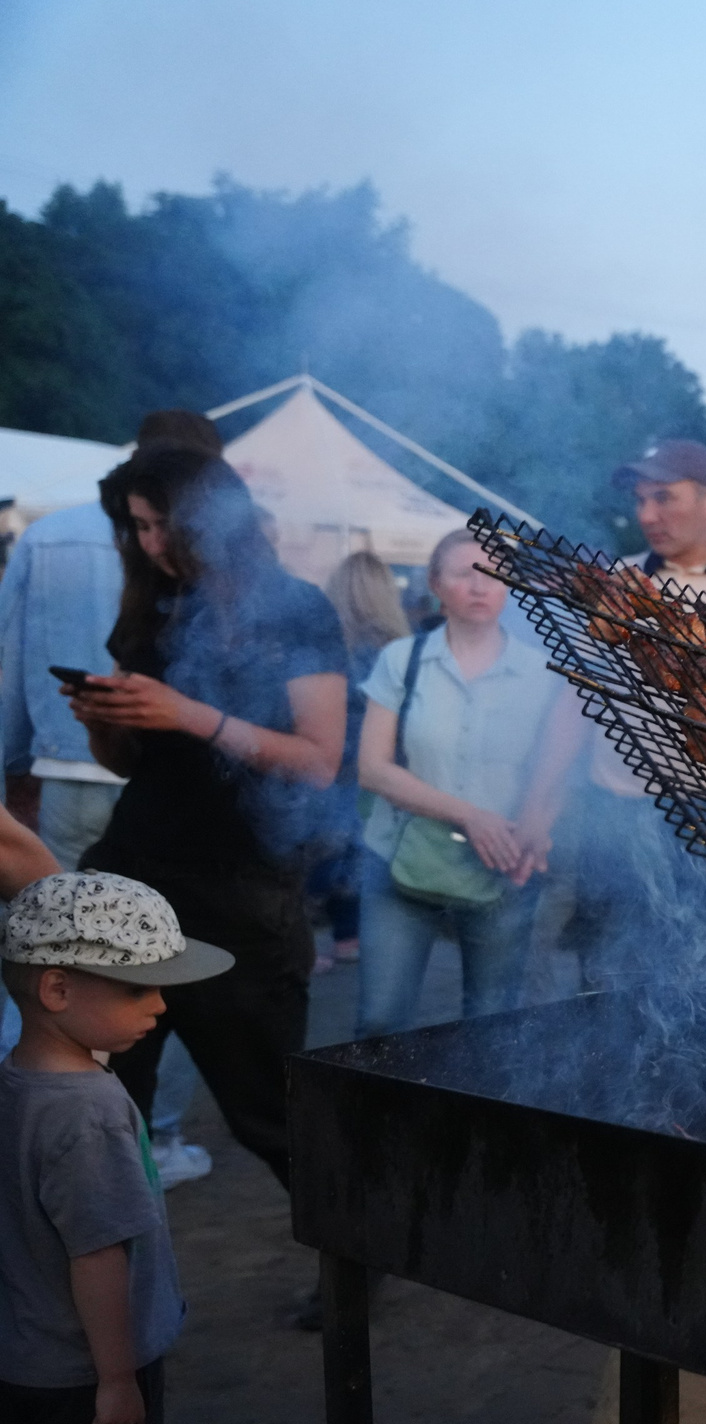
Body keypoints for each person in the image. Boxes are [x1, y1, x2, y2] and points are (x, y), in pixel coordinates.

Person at [69, 448, 347, 1195]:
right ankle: (116, 1269)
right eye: (137, 528)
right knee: (106, 1104)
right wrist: (103, 721)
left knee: (269, 1115)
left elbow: (318, 760)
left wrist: (191, 714)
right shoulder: (151, 609)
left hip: (241, 894)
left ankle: (353, 1260)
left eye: (162, 525)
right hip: (132, 875)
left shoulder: (296, 609)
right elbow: (133, 764)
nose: (151, 544)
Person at [522, 441, 706, 987]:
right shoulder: (617, 583)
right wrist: (538, 805)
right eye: (640, 500)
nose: (647, 515)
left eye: (663, 498)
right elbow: (575, 703)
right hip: (619, 816)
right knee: (608, 977)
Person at [0, 872, 231, 1424]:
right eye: (137, 988)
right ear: (57, 988)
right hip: (83, 1375)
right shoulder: (90, 1110)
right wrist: (117, 1378)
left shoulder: (15, 1081)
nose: (159, 1006)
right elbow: (98, 1255)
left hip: (26, 1359)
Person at [353, 529, 565, 1036]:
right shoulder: (401, 659)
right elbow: (372, 768)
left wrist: (539, 826)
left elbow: (557, 771)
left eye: (494, 574)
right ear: (435, 584)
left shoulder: (544, 672)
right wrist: (469, 814)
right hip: (400, 860)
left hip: (501, 867)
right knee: (381, 1020)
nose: (480, 586)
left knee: (491, 1028)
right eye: (463, 573)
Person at [0, 411, 226, 872]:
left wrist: (17, 764)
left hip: (71, 766)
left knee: (67, 923)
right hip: (183, 777)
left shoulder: (48, 536)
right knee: (168, 930)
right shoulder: (219, 546)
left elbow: (10, 658)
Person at [313, 552, 414, 975]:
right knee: (361, 849)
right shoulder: (397, 648)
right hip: (375, 765)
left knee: (321, 850)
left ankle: (309, 939)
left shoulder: (324, 642)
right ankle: (350, 937)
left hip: (328, 761)